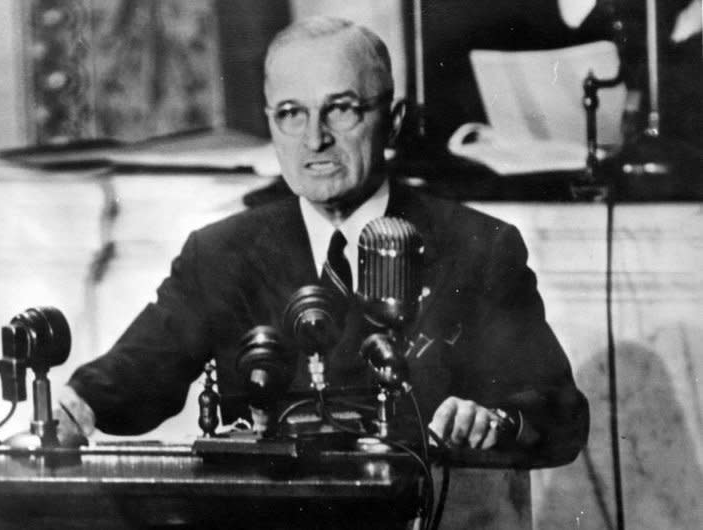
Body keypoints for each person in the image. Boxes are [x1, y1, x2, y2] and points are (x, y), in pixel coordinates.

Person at [58, 16, 589, 462]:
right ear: (271, 124)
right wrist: (77, 407)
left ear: (394, 120)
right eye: (292, 114)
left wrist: (492, 420)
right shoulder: (222, 252)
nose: (315, 138)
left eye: (342, 108)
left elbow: (559, 412)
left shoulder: (476, 247)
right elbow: (142, 371)